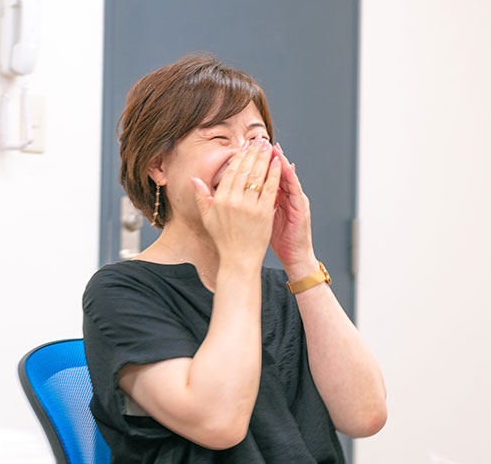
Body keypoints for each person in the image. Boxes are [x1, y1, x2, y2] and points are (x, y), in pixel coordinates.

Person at [82, 55, 386, 463]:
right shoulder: (120, 291)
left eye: (257, 139)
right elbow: (219, 423)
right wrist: (240, 257)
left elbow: (365, 416)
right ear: (158, 165)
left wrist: (299, 259)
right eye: (219, 138)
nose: (244, 157)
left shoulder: (283, 289)